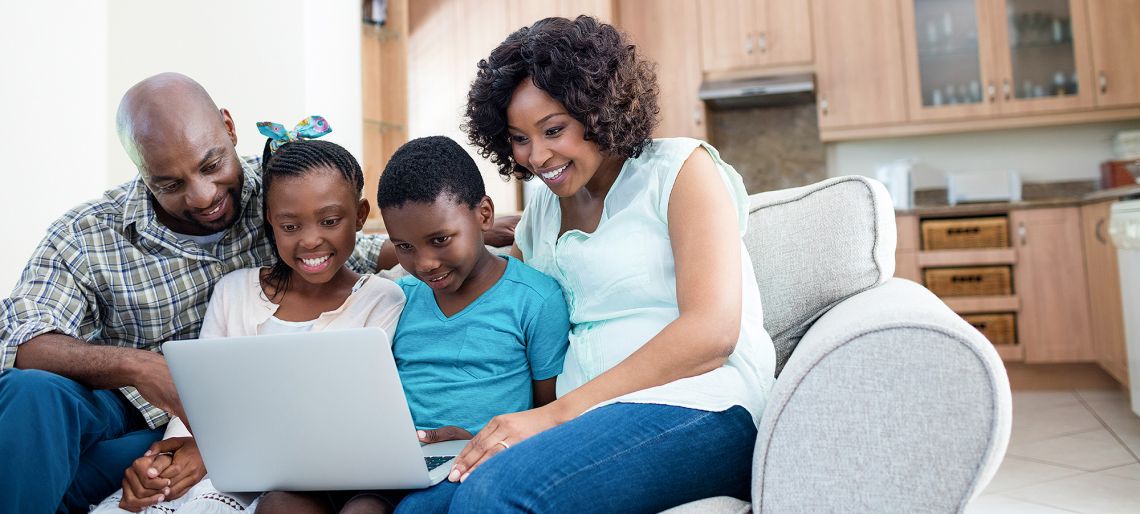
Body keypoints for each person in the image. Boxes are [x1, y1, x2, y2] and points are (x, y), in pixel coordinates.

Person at [0, 73, 517, 514]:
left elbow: (341, 249)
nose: (203, 197)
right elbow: (21, 342)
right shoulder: (86, 233)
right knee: (30, 393)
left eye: (209, 166)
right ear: (140, 171)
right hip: (111, 402)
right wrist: (141, 367)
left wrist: (451, 238)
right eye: (169, 183)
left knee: (86, 483)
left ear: (228, 127)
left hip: (182, 428)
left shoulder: (270, 189)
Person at [396, 16, 777, 513]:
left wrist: (554, 417)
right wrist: (477, 431)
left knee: (496, 494)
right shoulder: (542, 212)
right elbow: (508, 311)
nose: (537, 156)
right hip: (581, 421)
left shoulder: (680, 171)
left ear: (598, 111)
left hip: (700, 404)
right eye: (519, 138)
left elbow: (711, 333)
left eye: (554, 130)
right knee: (420, 506)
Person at [88, 129, 407, 513]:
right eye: (290, 226)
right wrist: (164, 463)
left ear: (359, 217)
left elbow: (338, 418)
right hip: (211, 466)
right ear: (270, 220)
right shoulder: (234, 291)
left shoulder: (381, 300)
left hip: (299, 480)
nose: (310, 241)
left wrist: (212, 452)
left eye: (330, 221)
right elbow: (197, 396)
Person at [255, 135, 570, 514]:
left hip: (471, 461)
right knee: (279, 504)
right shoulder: (398, 297)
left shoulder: (535, 300)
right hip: (389, 460)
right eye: (404, 247)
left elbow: (548, 414)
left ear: (484, 214)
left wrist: (482, 440)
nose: (425, 263)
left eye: (440, 239)